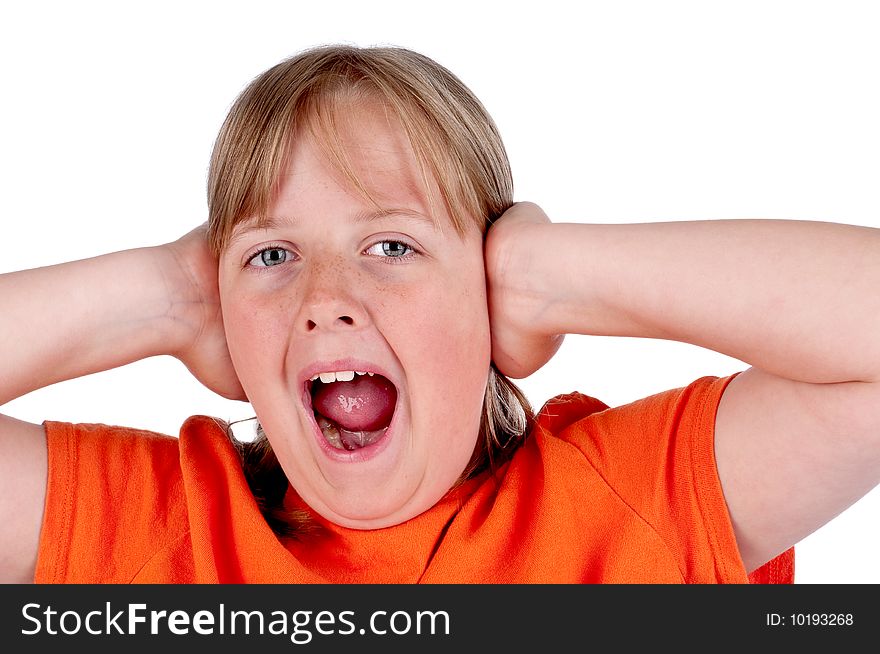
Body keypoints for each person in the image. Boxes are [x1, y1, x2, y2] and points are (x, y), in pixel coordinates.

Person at [1, 44, 877, 584]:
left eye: (392, 247)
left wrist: (548, 274)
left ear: (489, 294)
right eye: (272, 256)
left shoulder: (627, 505)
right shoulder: (157, 528)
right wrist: (168, 295)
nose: (327, 301)